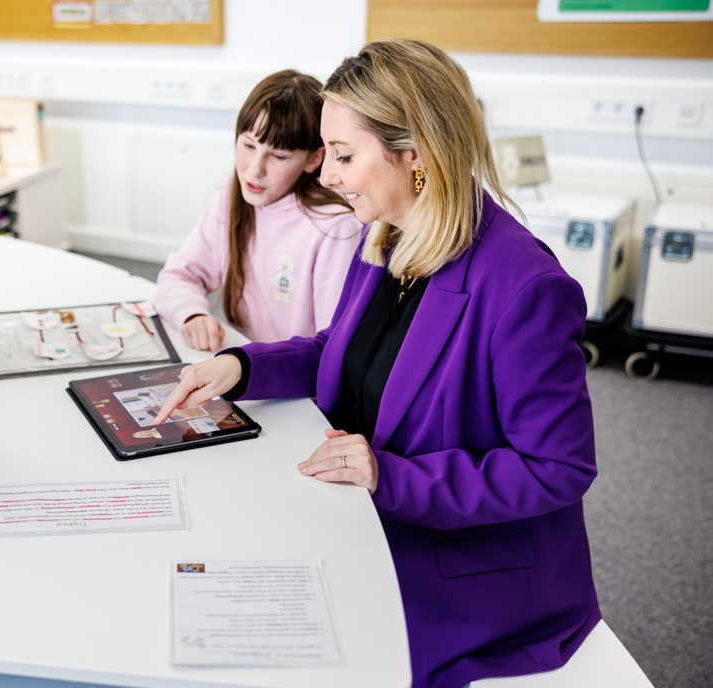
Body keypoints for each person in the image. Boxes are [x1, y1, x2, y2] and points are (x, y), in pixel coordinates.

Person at [154, 40, 600, 688]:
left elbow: (558, 469)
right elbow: (344, 352)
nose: (327, 175)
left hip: (465, 567)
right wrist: (242, 368)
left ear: (413, 155)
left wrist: (387, 476)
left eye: (342, 155)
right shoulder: (389, 227)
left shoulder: (526, 287)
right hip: (364, 512)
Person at [155, 69, 363, 351]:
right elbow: (179, 275)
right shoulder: (231, 195)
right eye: (248, 145)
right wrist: (192, 315)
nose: (254, 170)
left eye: (277, 156)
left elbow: (333, 347)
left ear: (314, 159)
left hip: (297, 384)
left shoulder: (335, 227)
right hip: (245, 367)